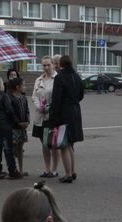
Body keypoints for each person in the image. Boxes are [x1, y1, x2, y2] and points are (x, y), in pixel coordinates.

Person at [47, 55, 84, 183]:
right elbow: (81, 95)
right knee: (70, 145)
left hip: (64, 113)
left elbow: (56, 99)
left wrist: (53, 118)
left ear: (61, 64)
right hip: (76, 111)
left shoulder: (60, 77)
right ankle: (72, 171)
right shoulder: (77, 77)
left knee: (64, 145)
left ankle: (68, 174)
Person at [0, 76, 21, 180]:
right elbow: (9, 111)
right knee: (8, 148)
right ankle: (12, 170)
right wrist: (16, 122)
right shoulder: (4, 96)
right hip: (5, 125)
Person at [32, 56, 61, 178]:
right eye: (44, 65)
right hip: (40, 117)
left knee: (53, 144)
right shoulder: (39, 80)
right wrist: (40, 107)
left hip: (52, 117)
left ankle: (54, 170)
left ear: (53, 65)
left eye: (48, 65)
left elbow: (58, 98)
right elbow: (34, 96)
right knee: (44, 144)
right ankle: (47, 169)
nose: (46, 67)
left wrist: (47, 108)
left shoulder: (57, 79)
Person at [9, 77, 31, 176]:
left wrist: (27, 121)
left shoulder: (23, 97)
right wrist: (17, 123)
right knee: (13, 149)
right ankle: (14, 169)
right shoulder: (9, 97)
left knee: (20, 148)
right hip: (14, 127)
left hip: (22, 127)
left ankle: (21, 170)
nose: (24, 87)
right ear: (18, 87)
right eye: (23, 85)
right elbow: (11, 113)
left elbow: (27, 110)